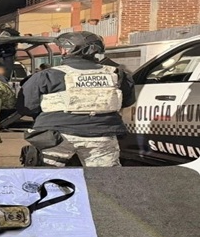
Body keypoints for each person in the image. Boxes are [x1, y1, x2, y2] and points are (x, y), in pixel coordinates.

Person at [20, 31, 135, 167]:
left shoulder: (46, 76)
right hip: (102, 135)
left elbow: (26, 107)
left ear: (65, 50)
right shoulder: (117, 74)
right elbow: (127, 101)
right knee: (104, 177)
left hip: (56, 137)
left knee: (46, 176)